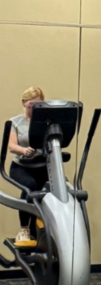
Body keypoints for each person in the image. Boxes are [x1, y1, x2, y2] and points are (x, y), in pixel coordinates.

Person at [8, 87, 48, 243]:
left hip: (41, 167)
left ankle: (35, 229)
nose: (34, 108)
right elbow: (12, 146)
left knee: (49, 191)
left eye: (38, 105)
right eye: (31, 105)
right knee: (30, 187)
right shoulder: (15, 122)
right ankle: (24, 229)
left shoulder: (45, 122)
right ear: (24, 103)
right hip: (21, 166)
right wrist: (24, 150)